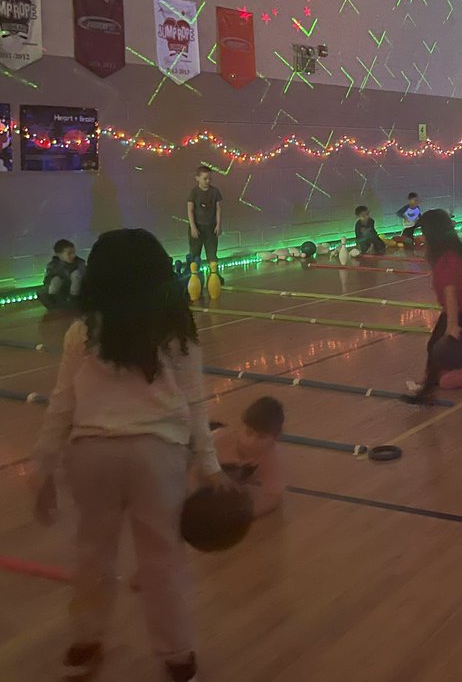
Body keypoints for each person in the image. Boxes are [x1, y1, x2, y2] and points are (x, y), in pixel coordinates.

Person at [27, 228, 229, 682]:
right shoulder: (178, 331)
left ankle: (86, 640)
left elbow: (63, 403)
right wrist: (210, 464)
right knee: (163, 559)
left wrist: (42, 465)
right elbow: (196, 403)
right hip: (157, 456)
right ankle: (177, 654)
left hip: (91, 453)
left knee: (92, 552)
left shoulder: (84, 331)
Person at [402, 209, 462, 421]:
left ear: (433, 232)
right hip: (461, 308)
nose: (422, 235)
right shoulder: (447, 252)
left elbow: (451, 292)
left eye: (424, 231)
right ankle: (427, 393)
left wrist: (452, 325)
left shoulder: (446, 258)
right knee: (432, 346)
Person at [209, 397, 285, 517]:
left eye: (261, 437)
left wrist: (244, 515)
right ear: (240, 426)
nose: (252, 442)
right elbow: (193, 473)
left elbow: (274, 497)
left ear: (274, 438)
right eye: (248, 433)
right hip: (202, 436)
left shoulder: (270, 454)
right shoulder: (220, 441)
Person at [186, 165, 222, 263]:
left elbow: (218, 209)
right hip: (198, 226)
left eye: (209, 178)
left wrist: (218, 225)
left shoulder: (215, 191)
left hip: (211, 227)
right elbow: (190, 210)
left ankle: (214, 274)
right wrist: (193, 227)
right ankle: (194, 275)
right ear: (197, 178)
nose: (208, 181)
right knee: (194, 253)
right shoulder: (194, 192)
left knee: (212, 253)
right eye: (205, 179)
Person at [38, 238, 86, 310]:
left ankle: (73, 298)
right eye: (69, 253)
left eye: (73, 253)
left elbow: (84, 275)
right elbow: (47, 280)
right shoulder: (53, 266)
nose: (73, 255)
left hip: (76, 291)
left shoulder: (79, 263)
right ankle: (53, 299)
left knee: (76, 274)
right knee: (56, 280)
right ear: (59, 255)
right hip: (61, 290)